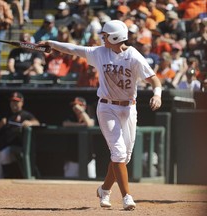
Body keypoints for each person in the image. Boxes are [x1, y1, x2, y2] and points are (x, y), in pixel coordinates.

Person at [38, 19, 162, 210]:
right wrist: (52, 44)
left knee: (124, 157)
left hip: (129, 109)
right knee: (119, 153)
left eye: (105, 36)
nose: (102, 38)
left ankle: (104, 189)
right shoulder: (99, 53)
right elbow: (73, 49)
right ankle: (126, 196)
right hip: (107, 107)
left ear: (115, 37)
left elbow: (154, 80)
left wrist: (157, 95)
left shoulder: (133, 56)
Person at [0, 91, 40, 179]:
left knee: (6, 154)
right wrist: (1, 123)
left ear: (22, 103)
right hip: (1, 147)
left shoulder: (25, 115)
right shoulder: (4, 114)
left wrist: (30, 122)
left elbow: (37, 123)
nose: (14, 103)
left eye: (17, 101)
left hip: (18, 147)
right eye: (12, 101)